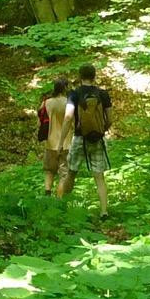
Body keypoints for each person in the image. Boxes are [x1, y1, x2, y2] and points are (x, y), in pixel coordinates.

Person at [60, 64, 112, 216]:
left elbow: (68, 118)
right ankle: (104, 211)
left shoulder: (74, 94)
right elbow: (110, 119)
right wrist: (101, 130)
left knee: (71, 172)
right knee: (99, 177)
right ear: (94, 76)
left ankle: (63, 206)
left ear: (79, 76)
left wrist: (61, 141)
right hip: (98, 140)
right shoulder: (103, 94)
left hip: (79, 139)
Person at [38, 75, 72, 196]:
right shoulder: (69, 103)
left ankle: (47, 194)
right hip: (66, 143)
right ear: (65, 88)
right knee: (64, 174)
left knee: (49, 171)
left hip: (50, 143)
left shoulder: (46, 103)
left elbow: (39, 122)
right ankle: (59, 199)